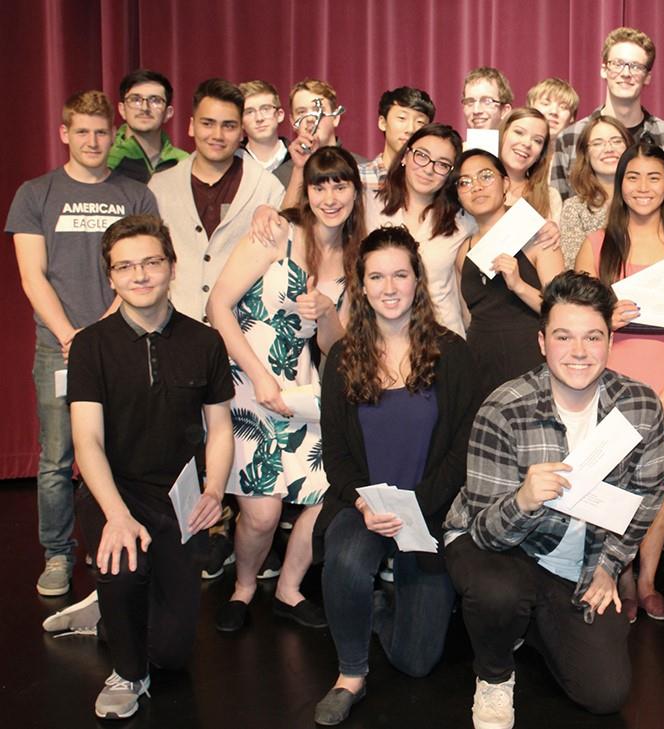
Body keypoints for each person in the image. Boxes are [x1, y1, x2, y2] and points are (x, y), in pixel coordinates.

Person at [443, 271, 664, 729]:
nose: (579, 351)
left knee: (605, 693)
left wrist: (608, 565)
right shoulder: (504, 407)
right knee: (498, 592)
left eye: (593, 337)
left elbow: (648, 496)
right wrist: (523, 500)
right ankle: (494, 674)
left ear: (610, 341)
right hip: (502, 547)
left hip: (579, 561)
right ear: (542, 342)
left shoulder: (641, 406)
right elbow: (484, 532)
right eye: (564, 337)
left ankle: (531, 625)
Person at [44, 214, 234, 720]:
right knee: (124, 567)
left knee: (170, 654)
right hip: (115, 489)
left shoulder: (205, 342)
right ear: (110, 277)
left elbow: (219, 429)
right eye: (125, 267)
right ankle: (127, 672)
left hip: (180, 497)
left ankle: (106, 614)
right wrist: (116, 515)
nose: (141, 275)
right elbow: (86, 441)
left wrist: (215, 490)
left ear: (172, 265)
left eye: (151, 262)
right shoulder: (91, 345)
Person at [310, 227, 482, 725]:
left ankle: (382, 611)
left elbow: (463, 450)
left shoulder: (452, 354)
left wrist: (417, 505)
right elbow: (336, 455)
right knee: (345, 560)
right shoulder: (343, 359)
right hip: (363, 505)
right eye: (377, 277)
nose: (389, 287)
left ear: (417, 281)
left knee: (416, 661)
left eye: (400, 275)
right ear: (361, 286)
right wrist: (364, 503)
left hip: (429, 509)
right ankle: (350, 674)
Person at [205, 146, 365, 632]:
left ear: (355, 192)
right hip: (247, 381)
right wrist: (257, 376)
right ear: (307, 191)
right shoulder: (276, 231)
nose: (330, 197)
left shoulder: (356, 258)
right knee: (261, 514)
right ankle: (244, 587)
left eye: (340, 185)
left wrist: (327, 313)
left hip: (300, 388)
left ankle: (289, 589)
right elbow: (218, 306)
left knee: (325, 494)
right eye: (320, 185)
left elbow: (335, 346)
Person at [6, 90, 158, 596]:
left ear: (114, 135)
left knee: (120, 450)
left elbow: (141, 271)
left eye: (101, 132)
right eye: (83, 131)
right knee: (57, 457)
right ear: (65, 133)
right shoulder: (35, 194)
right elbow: (32, 276)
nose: (93, 141)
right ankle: (57, 553)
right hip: (59, 346)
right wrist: (71, 336)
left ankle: (107, 536)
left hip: (121, 341)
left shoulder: (135, 194)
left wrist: (98, 335)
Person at [576, 141, 664, 621]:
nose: (643, 187)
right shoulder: (597, 244)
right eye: (633, 177)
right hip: (611, 379)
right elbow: (577, 319)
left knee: (662, 484)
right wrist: (605, 318)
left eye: (654, 177)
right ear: (620, 183)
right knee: (614, 481)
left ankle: (649, 581)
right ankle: (621, 577)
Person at [149, 78, 286, 323]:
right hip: (174, 330)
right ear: (191, 126)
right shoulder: (160, 187)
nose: (217, 135)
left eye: (229, 126)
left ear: (242, 131)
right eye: (208, 123)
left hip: (245, 334)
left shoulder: (267, 188)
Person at [454, 150, 565, 398]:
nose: (476, 187)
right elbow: (468, 317)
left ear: (505, 183)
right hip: (481, 364)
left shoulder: (540, 236)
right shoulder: (463, 251)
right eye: (465, 182)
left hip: (532, 360)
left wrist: (519, 286)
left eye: (485, 176)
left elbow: (563, 309)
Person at [550, 27, 664, 198]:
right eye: (618, 64)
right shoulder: (570, 138)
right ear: (604, 69)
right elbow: (558, 208)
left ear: (648, 77)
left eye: (636, 67)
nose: (626, 73)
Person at [367, 124, 470, 336]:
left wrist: (539, 230)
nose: (429, 169)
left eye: (442, 164)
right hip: (381, 336)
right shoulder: (367, 205)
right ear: (405, 156)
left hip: (443, 337)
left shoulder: (464, 221)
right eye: (422, 155)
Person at [275, 78, 366, 207]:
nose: (310, 119)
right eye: (301, 112)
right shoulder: (279, 177)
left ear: (335, 118)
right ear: (292, 122)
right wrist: (298, 171)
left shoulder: (363, 168)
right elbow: (284, 218)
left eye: (318, 111)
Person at [559, 116, 632, 268]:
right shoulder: (575, 208)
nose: (609, 149)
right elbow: (574, 270)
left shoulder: (645, 199)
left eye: (617, 141)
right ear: (586, 154)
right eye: (598, 143)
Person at [108, 69, 188, 183]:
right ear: (122, 110)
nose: (145, 108)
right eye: (135, 99)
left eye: (155, 100)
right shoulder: (107, 161)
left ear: (168, 113)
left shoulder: (184, 163)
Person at [360, 87, 435, 191]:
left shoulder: (430, 181)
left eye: (420, 122)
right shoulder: (358, 178)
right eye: (402, 118)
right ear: (383, 123)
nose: (410, 129)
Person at [499, 107, 562, 220]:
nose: (527, 143)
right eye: (519, 132)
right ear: (502, 133)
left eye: (537, 140)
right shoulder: (476, 186)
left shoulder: (550, 197)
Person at [527, 77, 579, 179]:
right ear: (531, 107)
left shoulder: (578, 159)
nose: (554, 112)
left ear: (572, 117)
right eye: (545, 104)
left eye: (563, 107)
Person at [237, 80, 289, 173]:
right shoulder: (232, 162)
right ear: (241, 122)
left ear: (280, 115)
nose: (259, 118)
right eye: (249, 112)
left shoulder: (299, 158)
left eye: (266, 109)